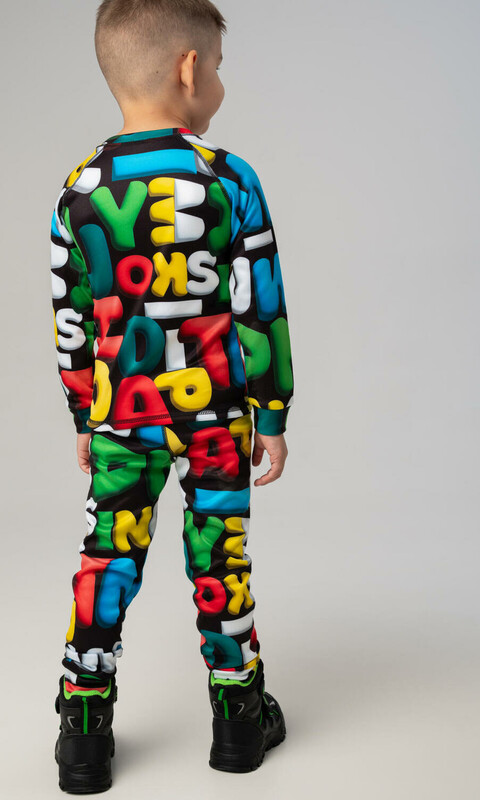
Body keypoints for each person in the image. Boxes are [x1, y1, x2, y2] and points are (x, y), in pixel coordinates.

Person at [49, 0, 294, 792]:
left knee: (107, 555)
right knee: (220, 555)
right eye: (216, 66)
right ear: (189, 68)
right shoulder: (229, 178)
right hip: (215, 414)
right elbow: (260, 304)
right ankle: (238, 718)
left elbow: (71, 316)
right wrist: (273, 411)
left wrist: (83, 410)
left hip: (122, 416)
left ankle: (83, 731)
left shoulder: (79, 188)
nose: (218, 80)